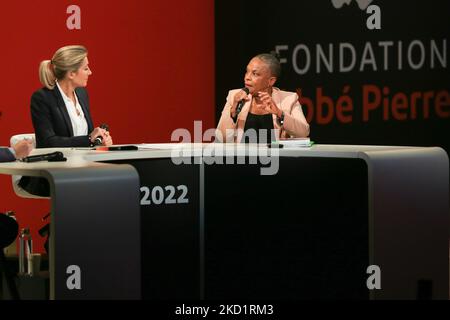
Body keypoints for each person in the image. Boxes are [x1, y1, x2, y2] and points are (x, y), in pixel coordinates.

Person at [216, 53, 310, 143]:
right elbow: (221, 139)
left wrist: (279, 113)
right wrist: (233, 113)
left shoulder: (289, 99)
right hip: (243, 158)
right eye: (247, 72)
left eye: (255, 74)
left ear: (271, 81)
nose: (247, 78)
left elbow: (303, 132)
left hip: (276, 158)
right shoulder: (235, 96)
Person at [30, 45, 113, 148]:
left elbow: (88, 140)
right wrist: (88, 139)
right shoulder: (42, 98)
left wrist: (99, 141)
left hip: (87, 161)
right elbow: (48, 142)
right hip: (60, 163)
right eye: (86, 68)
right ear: (71, 74)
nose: (90, 72)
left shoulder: (82, 94)